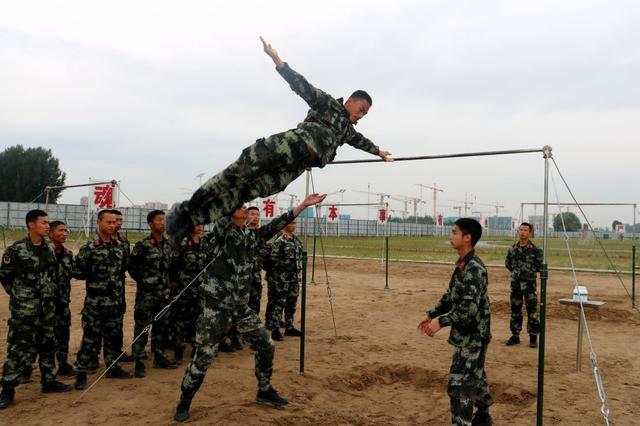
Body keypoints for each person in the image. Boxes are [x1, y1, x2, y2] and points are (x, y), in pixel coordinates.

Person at [166, 36, 392, 246]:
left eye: (365, 114)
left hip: (293, 168)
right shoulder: (328, 104)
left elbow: (360, 141)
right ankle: (187, 209)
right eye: (361, 109)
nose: (360, 115)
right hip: (285, 147)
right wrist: (276, 59)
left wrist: (378, 151)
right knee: (237, 174)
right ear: (350, 101)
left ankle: (190, 220)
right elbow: (302, 86)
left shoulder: (346, 131)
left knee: (244, 193)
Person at [173, 193, 326, 422]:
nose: (246, 209)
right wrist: (239, 188)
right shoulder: (220, 235)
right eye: (241, 206)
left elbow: (276, 224)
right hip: (216, 310)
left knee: (266, 344)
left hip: (240, 309)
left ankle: (264, 390)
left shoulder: (250, 236)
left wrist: (303, 205)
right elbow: (223, 212)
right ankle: (184, 402)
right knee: (203, 357)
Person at [418, 218, 493, 426]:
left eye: (454, 232)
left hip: (473, 337)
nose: (450, 236)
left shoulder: (474, 268)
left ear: (467, 238)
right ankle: (484, 415)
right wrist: (431, 314)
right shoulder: (462, 264)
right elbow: (451, 296)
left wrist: (441, 322)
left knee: (459, 387)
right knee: (475, 376)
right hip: (467, 335)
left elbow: (468, 309)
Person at [0, 210, 72, 409]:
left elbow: (52, 275)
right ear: (31, 225)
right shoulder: (17, 249)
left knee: (48, 344)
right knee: (18, 349)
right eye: (44, 223)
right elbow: (5, 277)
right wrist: (21, 296)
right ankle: (7, 389)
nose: (47, 226)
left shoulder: (49, 247)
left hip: (47, 308)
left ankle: (48, 381)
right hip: (25, 310)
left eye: (48, 223)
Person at [74, 210, 132, 390]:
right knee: (90, 339)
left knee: (113, 338)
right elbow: (78, 271)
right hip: (95, 304)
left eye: (114, 222)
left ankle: (113, 367)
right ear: (99, 222)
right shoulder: (89, 247)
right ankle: (81, 373)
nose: (112, 225)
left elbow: (122, 270)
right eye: (109, 222)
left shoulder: (119, 246)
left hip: (114, 302)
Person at [128, 210, 176, 378]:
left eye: (165, 220)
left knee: (162, 327)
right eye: (159, 220)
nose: (163, 223)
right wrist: (143, 281)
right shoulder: (143, 245)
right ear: (150, 224)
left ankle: (159, 355)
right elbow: (132, 266)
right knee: (142, 327)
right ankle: (139, 361)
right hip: (147, 295)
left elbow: (171, 267)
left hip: (164, 295)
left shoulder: (169, 244)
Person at [169, 223, 210, 364]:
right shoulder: (182, 243)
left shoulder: (204, 243)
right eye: (196, 224)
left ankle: (195, 347)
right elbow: (173, 264)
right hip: (184, 288)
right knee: (181, 319)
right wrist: (174, 281)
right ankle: (178, 350)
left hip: (201, 288)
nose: (200, 227)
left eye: (201, 224)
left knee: (199, 319)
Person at [505, 222, 543, 348]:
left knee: (532, 311)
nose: (523, 232)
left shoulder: (536, 250)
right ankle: (515, 335)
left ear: (530, 232)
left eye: (525, 230)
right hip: (515, 285)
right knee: (515, 310)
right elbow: (508, 264)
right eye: (521, 230)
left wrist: (528, 273)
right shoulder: (512, 249)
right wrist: (518, 274)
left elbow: (539, 266)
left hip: (529, 286)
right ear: (518, 231)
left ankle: (533, 337)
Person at [265, 219, 303, 340]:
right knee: (279, 304)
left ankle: (289, 326)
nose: (293, 225)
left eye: (294, 223)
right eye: (290, 223)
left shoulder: (297, 241)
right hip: (282, 280)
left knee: (291, 304)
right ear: (284, 225)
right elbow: (273, 261)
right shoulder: (280, 241)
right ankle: (275, 329)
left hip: (294, 279)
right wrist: (275, 278)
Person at [48, 220, 76, 377]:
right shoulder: (42, 253)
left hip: (62, 303)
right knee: (40, 336)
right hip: (43, 305)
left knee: (63, 333)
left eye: (66, 230)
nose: (64, 233)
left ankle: (63, 363)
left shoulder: (67, 255)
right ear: (50, 233)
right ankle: (27, 368)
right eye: (60, 230)